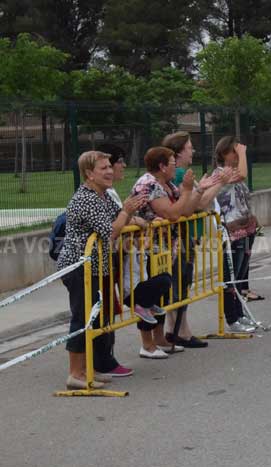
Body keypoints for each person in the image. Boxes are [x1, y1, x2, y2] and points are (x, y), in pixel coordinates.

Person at [58, 151, 148, 389]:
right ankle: (75, 373)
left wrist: (130, 215)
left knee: (95, 318)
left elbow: (119, 220)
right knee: (82, 318)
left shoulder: (103, 195)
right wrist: (127, 212)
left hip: (97, 267)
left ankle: (89, 369)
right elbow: (112, 230)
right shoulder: (86, 199)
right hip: (80, 268)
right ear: (89, 174)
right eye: (103, 168)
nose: (110, 171)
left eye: (110, 166)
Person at [131, 146, 222, 353]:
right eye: (172, 163)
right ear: (162, 166)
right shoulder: (149, 184)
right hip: (149, 249)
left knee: (162, 294)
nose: (175, 167)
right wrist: (188, 190)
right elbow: (172, 214)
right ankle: (147, 343)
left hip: (167, 249)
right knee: (149, 295)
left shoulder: (168, 185)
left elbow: (186, 212)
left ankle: (160, 338)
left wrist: (198, 190)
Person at [161, 132, 225, 348]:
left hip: (186, 236)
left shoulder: (181, 173)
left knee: (180, 282)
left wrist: (211, 185)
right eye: (189, 147)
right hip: (183, 236)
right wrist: (219, 183)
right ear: (179, 152)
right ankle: (181, 331)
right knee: (180, 282)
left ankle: (175, 328)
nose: (193, 151)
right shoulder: (180, 174)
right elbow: (199, 204)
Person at [213, 136, 259, 334]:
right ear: (224, 153)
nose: (237, 155)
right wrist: (242, 152)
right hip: (231, 233)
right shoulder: (221, 174)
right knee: (230, 277)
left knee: (240, 276)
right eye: (233, 151)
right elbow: (242, 175)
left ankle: (240, 313)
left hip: (246, 229)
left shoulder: (233, 172)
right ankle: (232, 318)